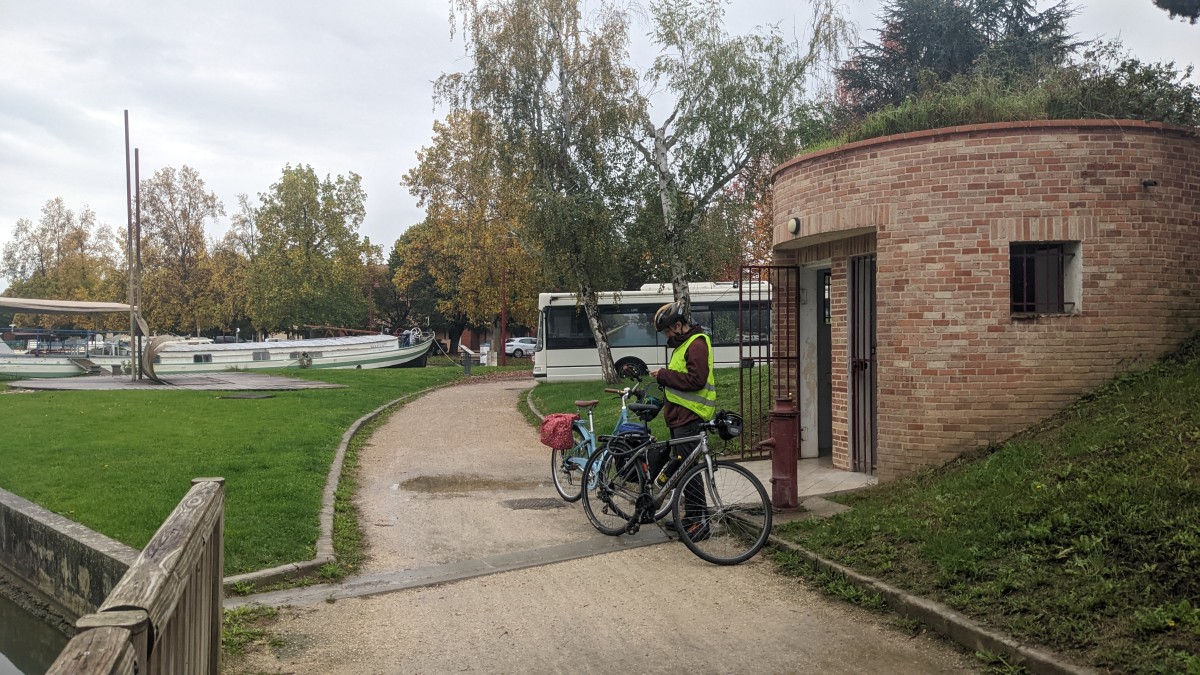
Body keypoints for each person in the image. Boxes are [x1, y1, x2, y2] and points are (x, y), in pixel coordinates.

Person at [649, 300, 715, 540]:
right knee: (683, 469)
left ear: (679, 325)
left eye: (667, 330)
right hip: (679, 416)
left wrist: (665, 375)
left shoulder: (696, 344)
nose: (666, 335)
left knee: (688, 470)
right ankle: (688, 519)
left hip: (690, 415)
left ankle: (699, 522)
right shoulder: (683, 344)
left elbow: (696, 380)